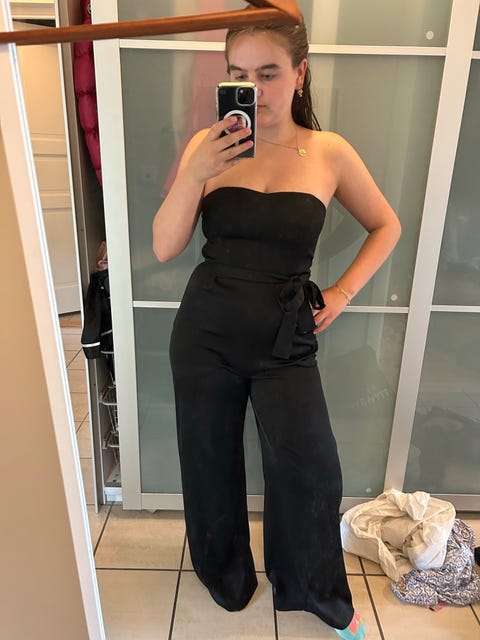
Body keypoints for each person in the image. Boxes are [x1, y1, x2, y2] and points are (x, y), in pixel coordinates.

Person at [153, 15, 401, 640]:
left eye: (268, 73)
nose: (255, 89)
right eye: (240, 75)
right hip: (205, 333)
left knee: (312, 467)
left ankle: (314, 591)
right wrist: (195, 171)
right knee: (208, 461)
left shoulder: (328, 151)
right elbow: (164, 246)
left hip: (286, 337)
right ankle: (226, 576)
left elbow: (386, 225)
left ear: (300, 74)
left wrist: (342, 293)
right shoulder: (208, 145)